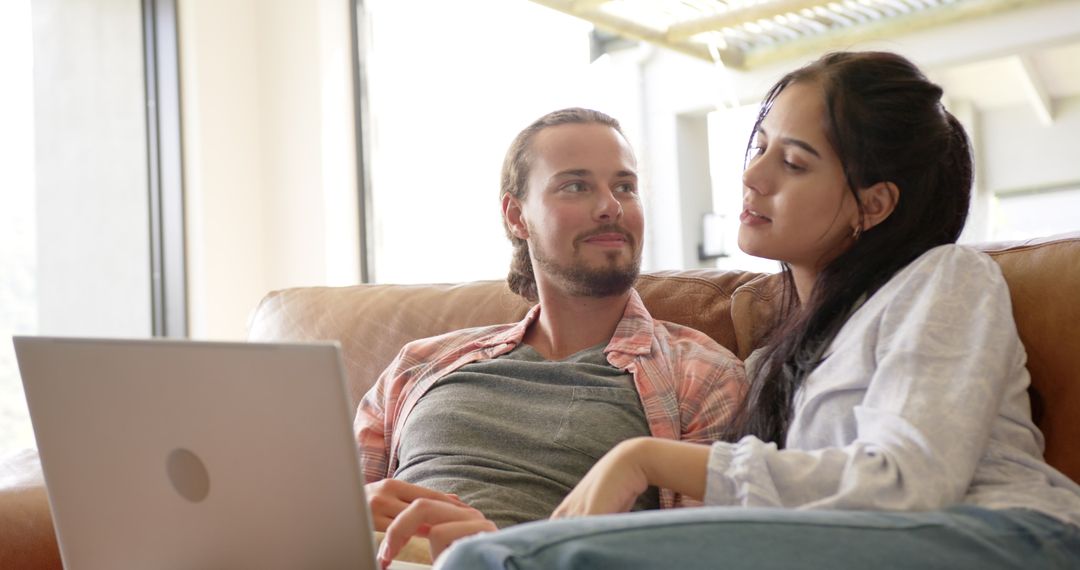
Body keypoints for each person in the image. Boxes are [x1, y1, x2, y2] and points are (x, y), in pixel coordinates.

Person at [438, 52, 1080, 569]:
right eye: (761, 145)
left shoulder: (944, 280)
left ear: (874, 205)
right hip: (860, 549)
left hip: (1008, 539)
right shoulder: (779, 356)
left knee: (494, 561)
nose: (753, 176)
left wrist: (642, 457)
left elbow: (904, 484)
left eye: (794, 162)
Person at [360, 107, 745, 567]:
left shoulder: (703, 376)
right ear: (517, 216)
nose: (610, 206)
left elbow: (698, 558)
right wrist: (351, 507)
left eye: (624, 186)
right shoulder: (419, 364)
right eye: (576, 186)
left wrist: (499, 555)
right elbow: (318, 513)